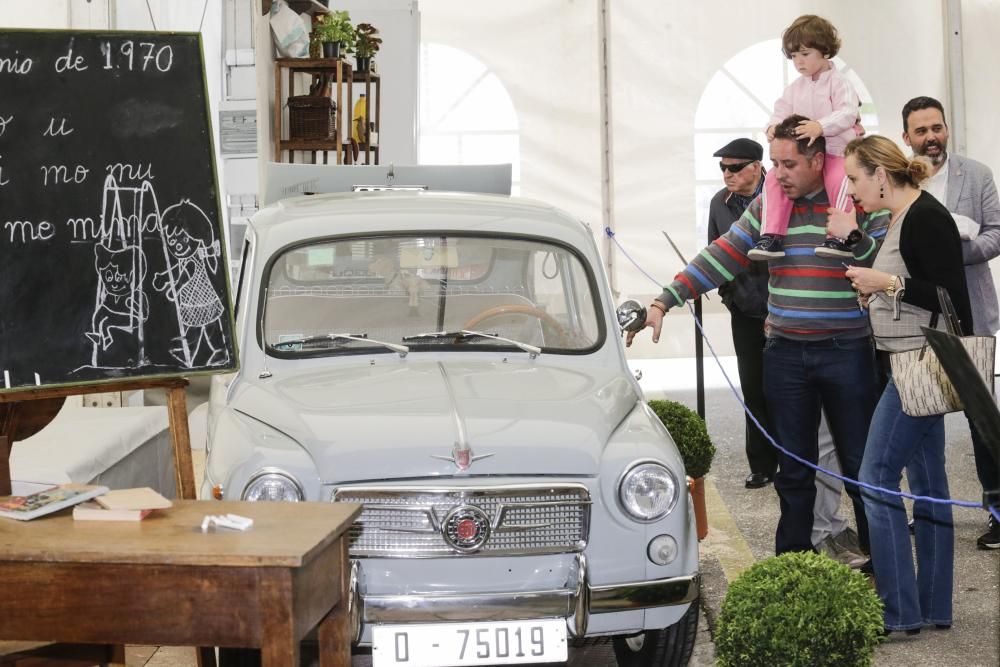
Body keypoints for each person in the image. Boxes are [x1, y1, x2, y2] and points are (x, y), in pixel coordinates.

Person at [627, 115, 888, 557]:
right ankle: (793, 569)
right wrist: (664, 300)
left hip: (848, 351)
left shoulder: (855, 199)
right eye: (774, 163)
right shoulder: (769, 205)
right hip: (785, 354)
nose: (778, 174)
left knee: (864, 470)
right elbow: (722, 254)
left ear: (818, 160)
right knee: (794, 472)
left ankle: (886, 577)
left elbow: (883, 261)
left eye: (788, 165)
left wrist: (854, 233)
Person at [837, 135, 972, 634]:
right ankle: (931, 608)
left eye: (854, 178)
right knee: (930, 487)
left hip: (919, 362)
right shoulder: (903, 216)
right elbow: (921, 291)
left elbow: (949, 296)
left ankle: (898, 614)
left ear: (879, 174)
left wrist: (884, 284)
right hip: (912, 361)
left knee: (875, 479)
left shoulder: (925, 217)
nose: (851, 189)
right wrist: (876, 295)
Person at [901, 96, 1000, 550]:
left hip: (972, 312)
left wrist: (949, 254)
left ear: (947, 129)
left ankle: (997, 508)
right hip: (920, 314)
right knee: (924, 414)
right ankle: (931, 510)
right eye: (920, 131)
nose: (930, 137)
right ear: (907, 137)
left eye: (936, 127)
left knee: (983, 417)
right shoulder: (900, 178)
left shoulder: (976, 174)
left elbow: (996, 233)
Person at [748, 14, 862, 261]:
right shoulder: (794, 88)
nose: (798, 61)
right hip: (803, 155)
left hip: (835, 151)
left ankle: (838, 236)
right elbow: (780, 112)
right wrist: (773, 126)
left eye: (805, 53)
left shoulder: (839, 82)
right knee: (773, 182)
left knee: (842, 180)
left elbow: (848, 112)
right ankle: (772, 237)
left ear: (824, 50)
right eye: (793, 56)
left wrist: (820, 126)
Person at [707, 138, 777, 489]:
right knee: (752, 387)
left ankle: (794, 460)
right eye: (722, 168)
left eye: (734, 167)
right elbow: (715, 250)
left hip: (783, 309)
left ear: (756, 166)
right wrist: (729, 293)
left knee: (786, 388)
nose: (726, 174)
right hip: (745, 308)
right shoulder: (719, 204)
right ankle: (762, 464)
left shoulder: (779, 194)